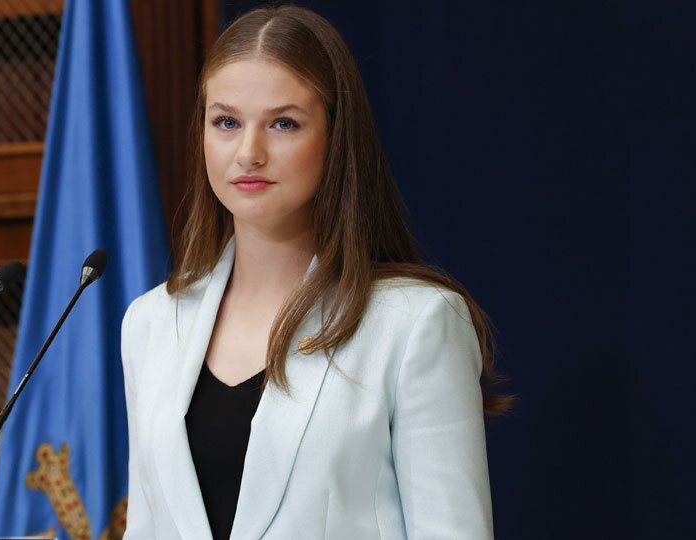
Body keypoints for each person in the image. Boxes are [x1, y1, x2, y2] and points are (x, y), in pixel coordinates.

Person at [120, 5, 509, 539]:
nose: (249, 153)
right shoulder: (151, 322)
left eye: (284, 123)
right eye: (227, 122)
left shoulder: (415, 322)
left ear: (335, 137)